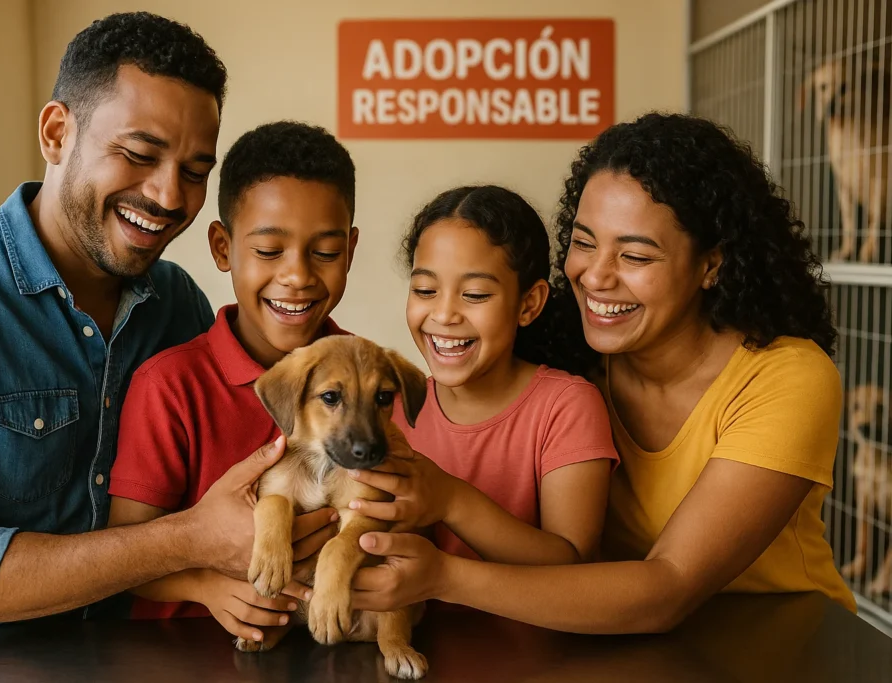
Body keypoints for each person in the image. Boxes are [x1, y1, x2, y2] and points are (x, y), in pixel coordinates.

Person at [0, 14, 330, 683]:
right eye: (139, 155)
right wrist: (187, 541)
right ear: (58, 133)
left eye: (195, 169)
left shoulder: (177, 304)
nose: (171, 195)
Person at [347, 112, 856, 633]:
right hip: (612, 637)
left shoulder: (786, 378)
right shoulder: (577, 363)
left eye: (634, 255)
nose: (594, 275)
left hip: (779, 640)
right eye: (585, 242)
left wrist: (444, 577)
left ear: (711, 266)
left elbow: (668, 588)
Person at [106, 121, 358, 649]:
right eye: (269, 251)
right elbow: (122, 555)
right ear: (223, 248)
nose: (297, 276)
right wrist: (206, 587)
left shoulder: (365, 377)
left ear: (351, 251)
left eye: (326, 253)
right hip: (185, 656)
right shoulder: (170, 386)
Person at [347, 185, 617, 573]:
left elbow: (571, 563)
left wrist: (451, 500)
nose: (444, 314)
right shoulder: (391, 407)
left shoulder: (567, 406)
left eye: (474, 294)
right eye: (425, 290)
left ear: (529, 304)